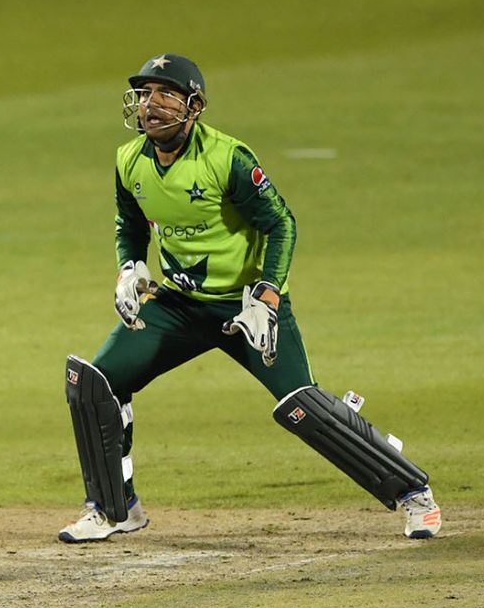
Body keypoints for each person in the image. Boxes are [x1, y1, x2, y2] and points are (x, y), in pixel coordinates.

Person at [60, 53, 441, 544]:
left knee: (304, 407)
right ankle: (115, 508)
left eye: (166, 94)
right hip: (178, 305)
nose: (151, 105)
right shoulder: (128, 159)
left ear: (194, 107)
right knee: (97, 383)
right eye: (145, 93)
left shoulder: (227, 158)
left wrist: (267, 295)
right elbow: (129, 224)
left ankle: (414, 494)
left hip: (246, 308)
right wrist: (129, 266)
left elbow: (281, 223)